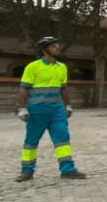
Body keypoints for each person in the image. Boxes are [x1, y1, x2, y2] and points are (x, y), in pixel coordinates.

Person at [15, 37, 87, 181]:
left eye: (58, 45)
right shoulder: (33, 67)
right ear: (44, 49)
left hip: (57, 111)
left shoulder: (62, 67)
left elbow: (64, 88)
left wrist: (68, 105)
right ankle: (27, 171)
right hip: (37, 111)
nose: (57, 48)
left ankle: (67, 170)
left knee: (62, 140)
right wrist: (22, 108)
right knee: (31, 142)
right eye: (54, 46)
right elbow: (24, 89)